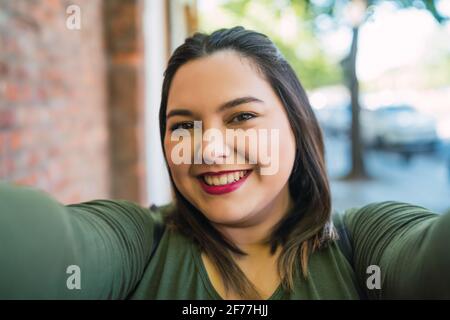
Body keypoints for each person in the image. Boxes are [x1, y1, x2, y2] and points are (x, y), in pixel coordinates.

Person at [0, 27, 449, 300]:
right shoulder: (139, 244)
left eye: (242, 117)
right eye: (183, 125)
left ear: (296, 123)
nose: (209, 150)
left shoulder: (363, 247)